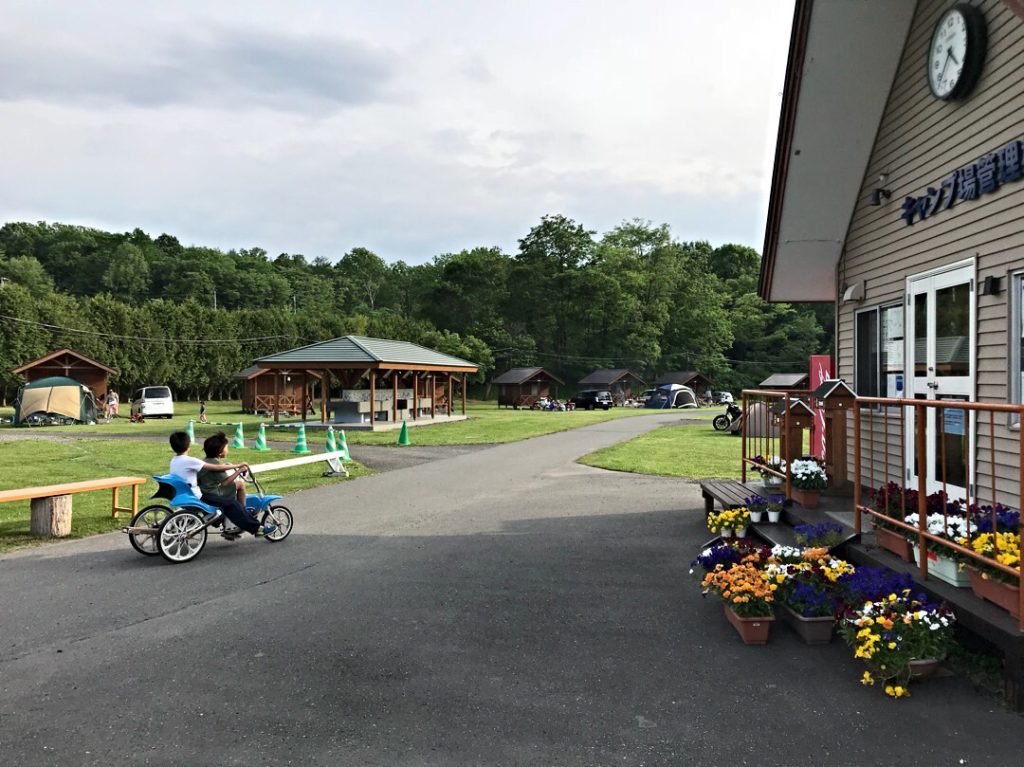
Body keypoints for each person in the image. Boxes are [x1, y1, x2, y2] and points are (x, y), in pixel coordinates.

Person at [168, 430, 273, 537]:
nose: (227, 449)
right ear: (189, 445)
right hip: (201, 496)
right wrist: (238, 468)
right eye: (226, 447)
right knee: (232, 503)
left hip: (188, 493)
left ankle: (237, 517)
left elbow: (214, 468)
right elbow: (218, 471)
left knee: (232, 497)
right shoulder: (191, 461)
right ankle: (256, 528)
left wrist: (227, 466)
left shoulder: (174, 460)